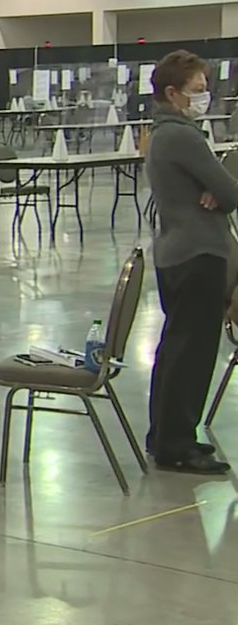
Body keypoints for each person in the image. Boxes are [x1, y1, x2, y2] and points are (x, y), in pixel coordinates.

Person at [144, 49, 238, 475]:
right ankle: (177, 445)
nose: (204, 96)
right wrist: (219, 188)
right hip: (197, 253)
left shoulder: (164, 135)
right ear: (173, 93)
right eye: (197, 89)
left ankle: (167, 434)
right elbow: (230, 192)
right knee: (192, 354)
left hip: (178, 252)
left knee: (177, 349)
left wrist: (217, 187)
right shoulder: (182, 137)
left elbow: (221, 188)